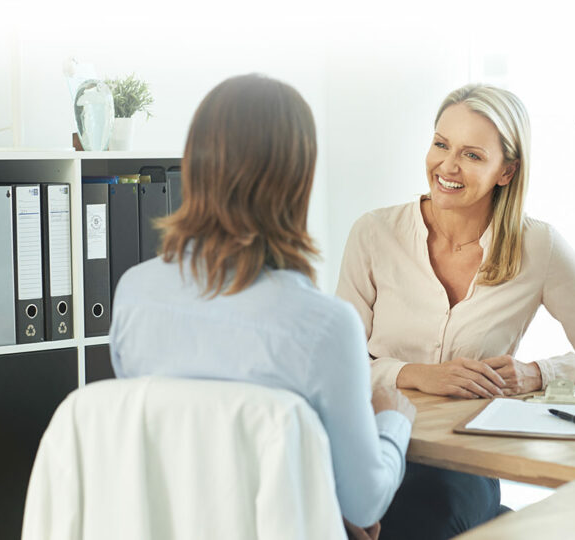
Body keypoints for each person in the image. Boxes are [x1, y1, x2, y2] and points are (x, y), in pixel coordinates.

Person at [110, 74, 415, 538]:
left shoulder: (134, 293)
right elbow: (365, 500)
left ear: (194, 166)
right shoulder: (324, 325)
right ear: (297, 181)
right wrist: (392, 418)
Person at [335, 84, 575, 539]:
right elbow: (340, 365)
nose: (447, 166)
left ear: (507, 170)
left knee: (418, 524)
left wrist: (535, 373)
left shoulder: (538, 246)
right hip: (373, 442)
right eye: (441, 144)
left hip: (462, 462)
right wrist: (413, 374)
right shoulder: (375, 233)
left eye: (472, 155)